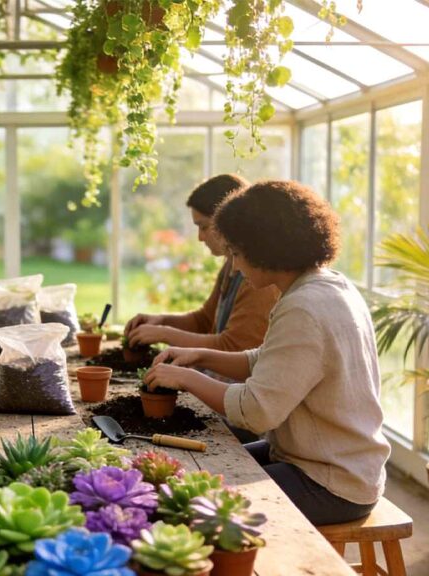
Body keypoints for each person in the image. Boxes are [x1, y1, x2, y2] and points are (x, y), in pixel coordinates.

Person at [142, 180, 389, 526]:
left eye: (237, 253)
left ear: (264, 248)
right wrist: (199, 357)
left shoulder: (304, 307)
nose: (236, 265)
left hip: (330, 483)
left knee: (190, 506)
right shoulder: (328, 284)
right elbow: (268, 362)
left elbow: (255, 412)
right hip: (330, 463)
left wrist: (186, 377)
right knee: (202, 465)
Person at [124, 174, 279, 351]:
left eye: (204, 227)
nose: (200, 237)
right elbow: (204, 320)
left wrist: (165, 334)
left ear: (228, 221)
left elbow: (234, 346)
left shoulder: (258, 279)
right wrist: (161, 321)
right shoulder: (231, 264)